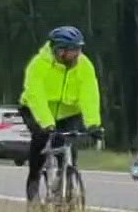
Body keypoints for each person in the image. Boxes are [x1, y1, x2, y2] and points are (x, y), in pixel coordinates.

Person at [18, 25, 103, 202]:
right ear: (59, 51)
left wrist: (93, 124)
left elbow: (89, 94)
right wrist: (47, 123)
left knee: (68, 145)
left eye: (79, 50)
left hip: (68, 113)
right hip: (36, 110)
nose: (77, 55)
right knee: (41, 140)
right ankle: (33, 182)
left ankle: (67, 183)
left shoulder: (84, 65)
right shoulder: (39, 65)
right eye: (73, 51)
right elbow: (36, 95)